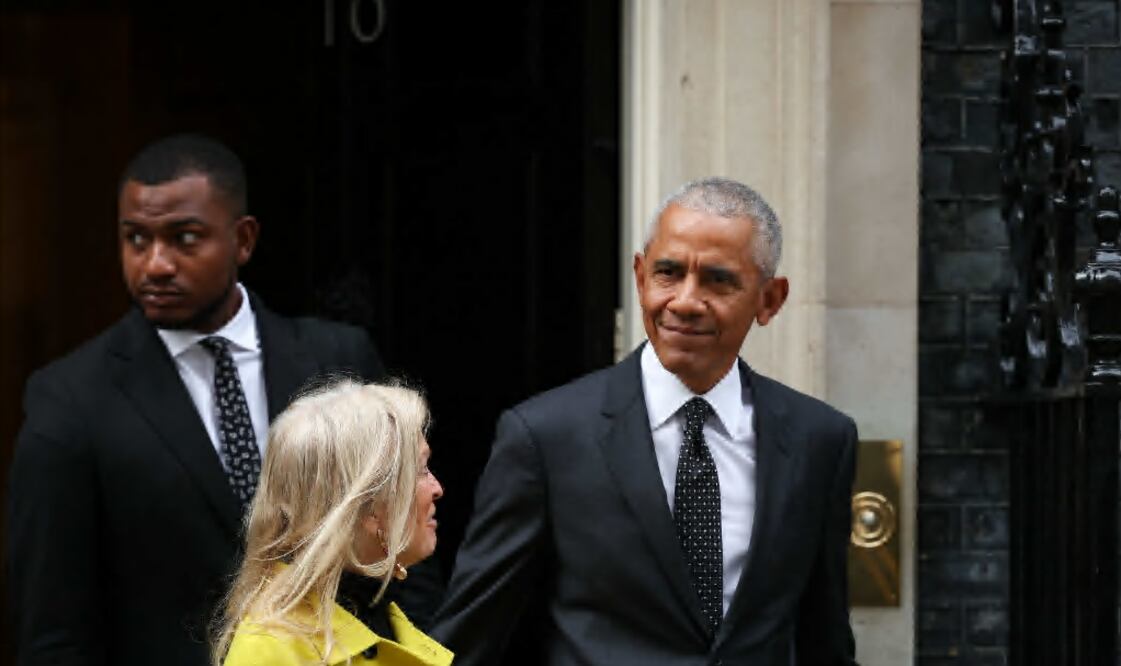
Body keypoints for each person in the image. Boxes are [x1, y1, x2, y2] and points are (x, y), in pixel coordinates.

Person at [6, 134, 439, 666]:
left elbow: (405, 536)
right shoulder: (72, 399)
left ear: (244, 240)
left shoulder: (335, 357)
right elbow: (53, 623)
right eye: (135, 240)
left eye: (184, 239)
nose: (155, 264)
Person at [432, 177, 859, 664]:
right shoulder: (546, 439)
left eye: (718, 280)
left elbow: (824, 638)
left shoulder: (819, 440)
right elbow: (469, 641)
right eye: (668, 273)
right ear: (639, 277)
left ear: (769, 300)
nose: (685, 301)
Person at [215, 379, 451, 666]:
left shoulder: (377, 613)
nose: (437, 488)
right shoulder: (270, 650)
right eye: (421, 470)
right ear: (369, 507)